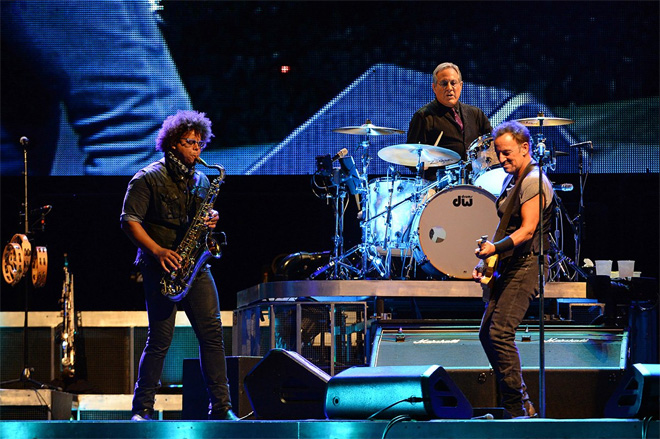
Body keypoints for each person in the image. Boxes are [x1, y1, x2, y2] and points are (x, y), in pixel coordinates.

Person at [120, 110, 237, 421]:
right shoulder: (147, 178)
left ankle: (221, 407)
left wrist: (211, 220)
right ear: (173, 142)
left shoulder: (202, 180)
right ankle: (142, 409)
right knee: (160, 339)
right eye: (190, 143)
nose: (197, 150)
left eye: (200, 144)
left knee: (212, 335)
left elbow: (200, 223)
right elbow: (129, 221)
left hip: (196, 266)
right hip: (160, 267)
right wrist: (158, 251)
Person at [472, 120, 554, 418]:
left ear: (524, 148)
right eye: (498, 152)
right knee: (487, 334)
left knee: (500, 333)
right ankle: (519, 403)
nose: (502, 158)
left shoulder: (533, 181)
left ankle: (518, 406)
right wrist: (486, 261)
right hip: (512, 265)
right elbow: (507, 225)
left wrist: (494, 249)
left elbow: (528, 230)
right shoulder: (514, 178)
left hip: (528, 265)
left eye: (507, 152)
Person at [407, 62, 492, 181]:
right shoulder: (423, 117)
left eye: (453, 83)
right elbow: (410, 159)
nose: (449, 88)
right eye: (444, 83)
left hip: (475, 181)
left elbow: (492, 143)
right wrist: (420, 164)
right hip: (439, 185)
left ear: (461, 85)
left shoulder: (476, 114)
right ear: (434, 87)